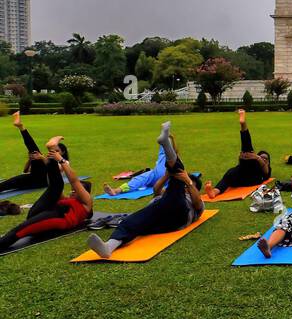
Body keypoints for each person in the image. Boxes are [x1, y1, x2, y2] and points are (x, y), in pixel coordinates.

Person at [86, 122, 203, 257]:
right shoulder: (169, 193)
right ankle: (108, 247)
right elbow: (156, 190)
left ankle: (166, 144)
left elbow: (198, 203)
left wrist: (187, 181)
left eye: (190, 186)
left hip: (179, 216)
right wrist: (167, 175)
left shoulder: (191, 198)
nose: (186, 186)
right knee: (129, 222)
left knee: (177, 181)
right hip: (161, 220)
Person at [0, 141, 91, 253]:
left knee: (20, 230)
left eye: (75, 191)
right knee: (56, 186)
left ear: (84, 193)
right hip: (38, 214)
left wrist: (61, 160)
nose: (72, 191)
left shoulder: (86, 204)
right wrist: (50, 160)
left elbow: (74, 180)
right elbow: (52, 187)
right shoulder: (67, 200)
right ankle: (51, 148)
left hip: (55, 220)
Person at [203, 109, 271, 199]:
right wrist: (242, 157)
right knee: (229, 175)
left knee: (247, 149)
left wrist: (257, 158)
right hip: (239, 178)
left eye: (265, 158)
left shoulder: (265, 168)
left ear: (268, 161)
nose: (263, 158)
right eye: (261, 156)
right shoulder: (253, 160)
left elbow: (266, 173)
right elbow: (243, 165)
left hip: (252, 178)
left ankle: (243, 124)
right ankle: (214, 192)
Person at [0, 112, 69, 194]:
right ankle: (20, 126)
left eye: (57, 151)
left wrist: (42, 158)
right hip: (34, 179)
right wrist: (31, 159)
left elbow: (54, 170)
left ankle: (21, 127)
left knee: (34, 149)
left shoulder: (65, 162)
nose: (54, 152)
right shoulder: (47, 158)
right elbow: (26, 170)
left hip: (45, 181)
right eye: (54, 150)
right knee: (8, 183)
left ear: (63, 152)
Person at [101, 138, 173, 197]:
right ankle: (116, 191)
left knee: (140, 179)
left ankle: (116, 191)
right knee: (139, 179)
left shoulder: (172, 157)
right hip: (156, 176)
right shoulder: (164, 155)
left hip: (165, 178)